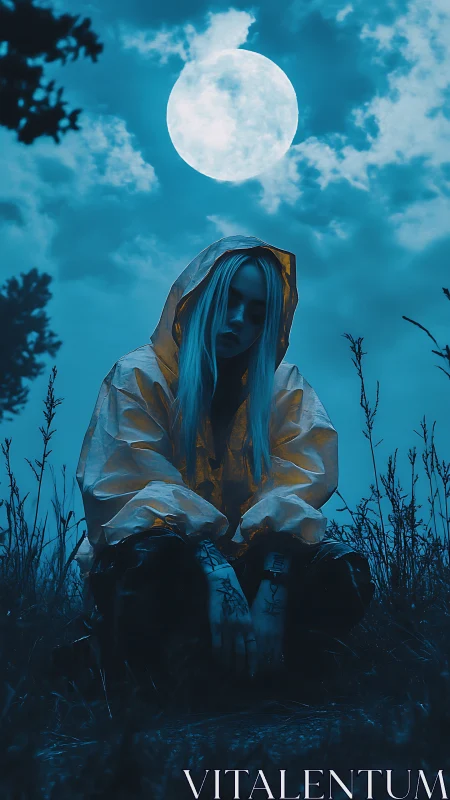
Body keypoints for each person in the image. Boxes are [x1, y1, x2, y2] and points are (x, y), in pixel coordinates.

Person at [71, 235, 374, 692]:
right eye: (229, 301)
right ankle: (142, 676)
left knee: (342, 568)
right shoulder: (138, 377)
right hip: (176, 567)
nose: (239, 322)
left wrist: (272, 585)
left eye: (256, 314)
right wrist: (214, 569)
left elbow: (298, 484)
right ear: (201, 296)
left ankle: (271, 678)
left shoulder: (282, 387)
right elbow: (129, 486)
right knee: (152, 557)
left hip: (252, 567)